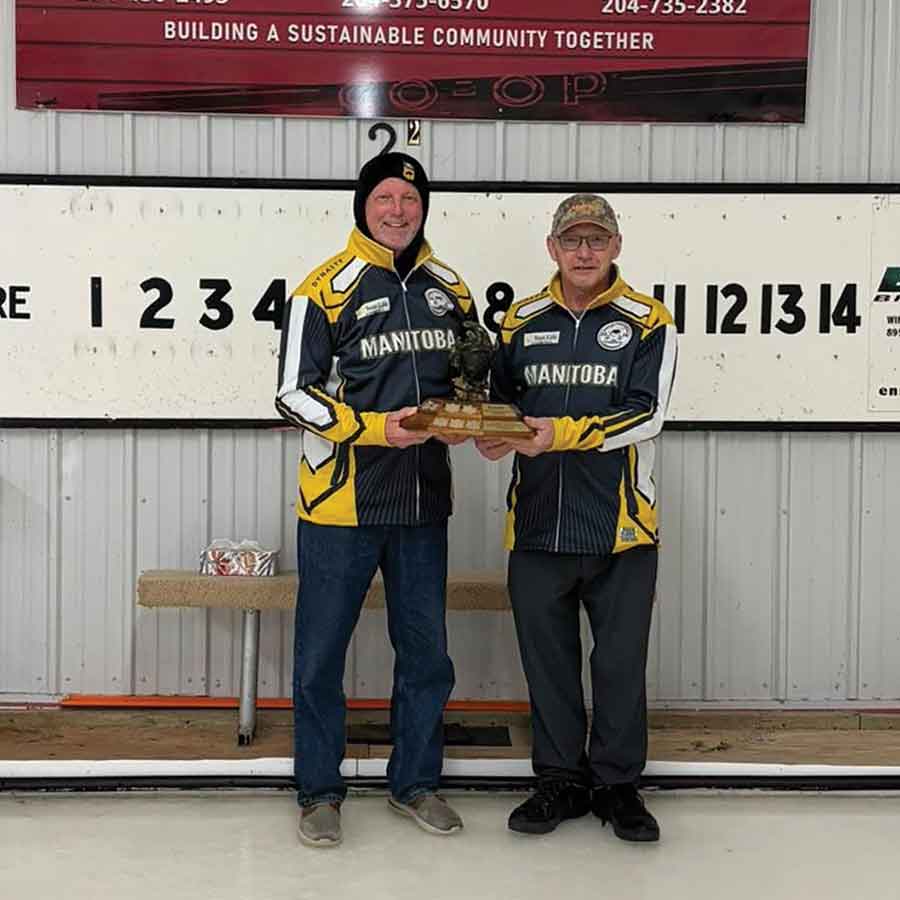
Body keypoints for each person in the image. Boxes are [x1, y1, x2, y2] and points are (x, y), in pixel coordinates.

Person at [275, 152, 476, 848]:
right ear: (363, 206)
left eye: (410, 200)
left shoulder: (451, 288)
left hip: (422, 503)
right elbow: (291, 394)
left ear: (425, 209)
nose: (398, 210)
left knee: (426, 655)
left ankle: (415, 782)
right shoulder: (323, 289)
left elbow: (467, 384)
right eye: (385, 198)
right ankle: (318, 791)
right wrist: (372, 429)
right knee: (320, 658)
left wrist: (473, 420)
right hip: (341, 506)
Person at [476, 194, 678, 842]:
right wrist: (491, 432)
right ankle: (560, 780)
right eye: (572, 240)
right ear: (553, 248)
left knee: (618, 665)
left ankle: (618, 786)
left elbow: (647, 414)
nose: (584, 252)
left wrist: (559, 433)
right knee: (549, 666)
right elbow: (500, 403)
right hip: (537, 526)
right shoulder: (520, 320)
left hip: (621, 528)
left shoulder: (648, 322)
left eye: (596, 239)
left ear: (616, 246)